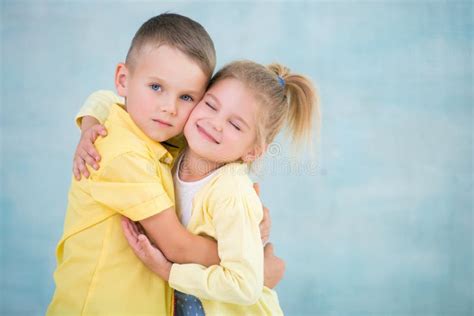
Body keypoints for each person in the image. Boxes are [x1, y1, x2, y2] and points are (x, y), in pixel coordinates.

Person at [75, 60, 320, 315]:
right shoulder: (177, 144)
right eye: (211, 105)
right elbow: (108, 98)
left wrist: (168, 271)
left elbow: (245, 285)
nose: (215, 123)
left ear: (253, 151)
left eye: (235, 125)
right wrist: (90, 126)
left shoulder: (231, 194)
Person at [47, 13, 220, 315]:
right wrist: (246, 255)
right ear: (123, 80)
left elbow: (104, 98)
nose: (169, 107)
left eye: (187, 97)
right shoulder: (122, 153)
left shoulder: (162, 138)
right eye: (156, 87)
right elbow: (176, 247)